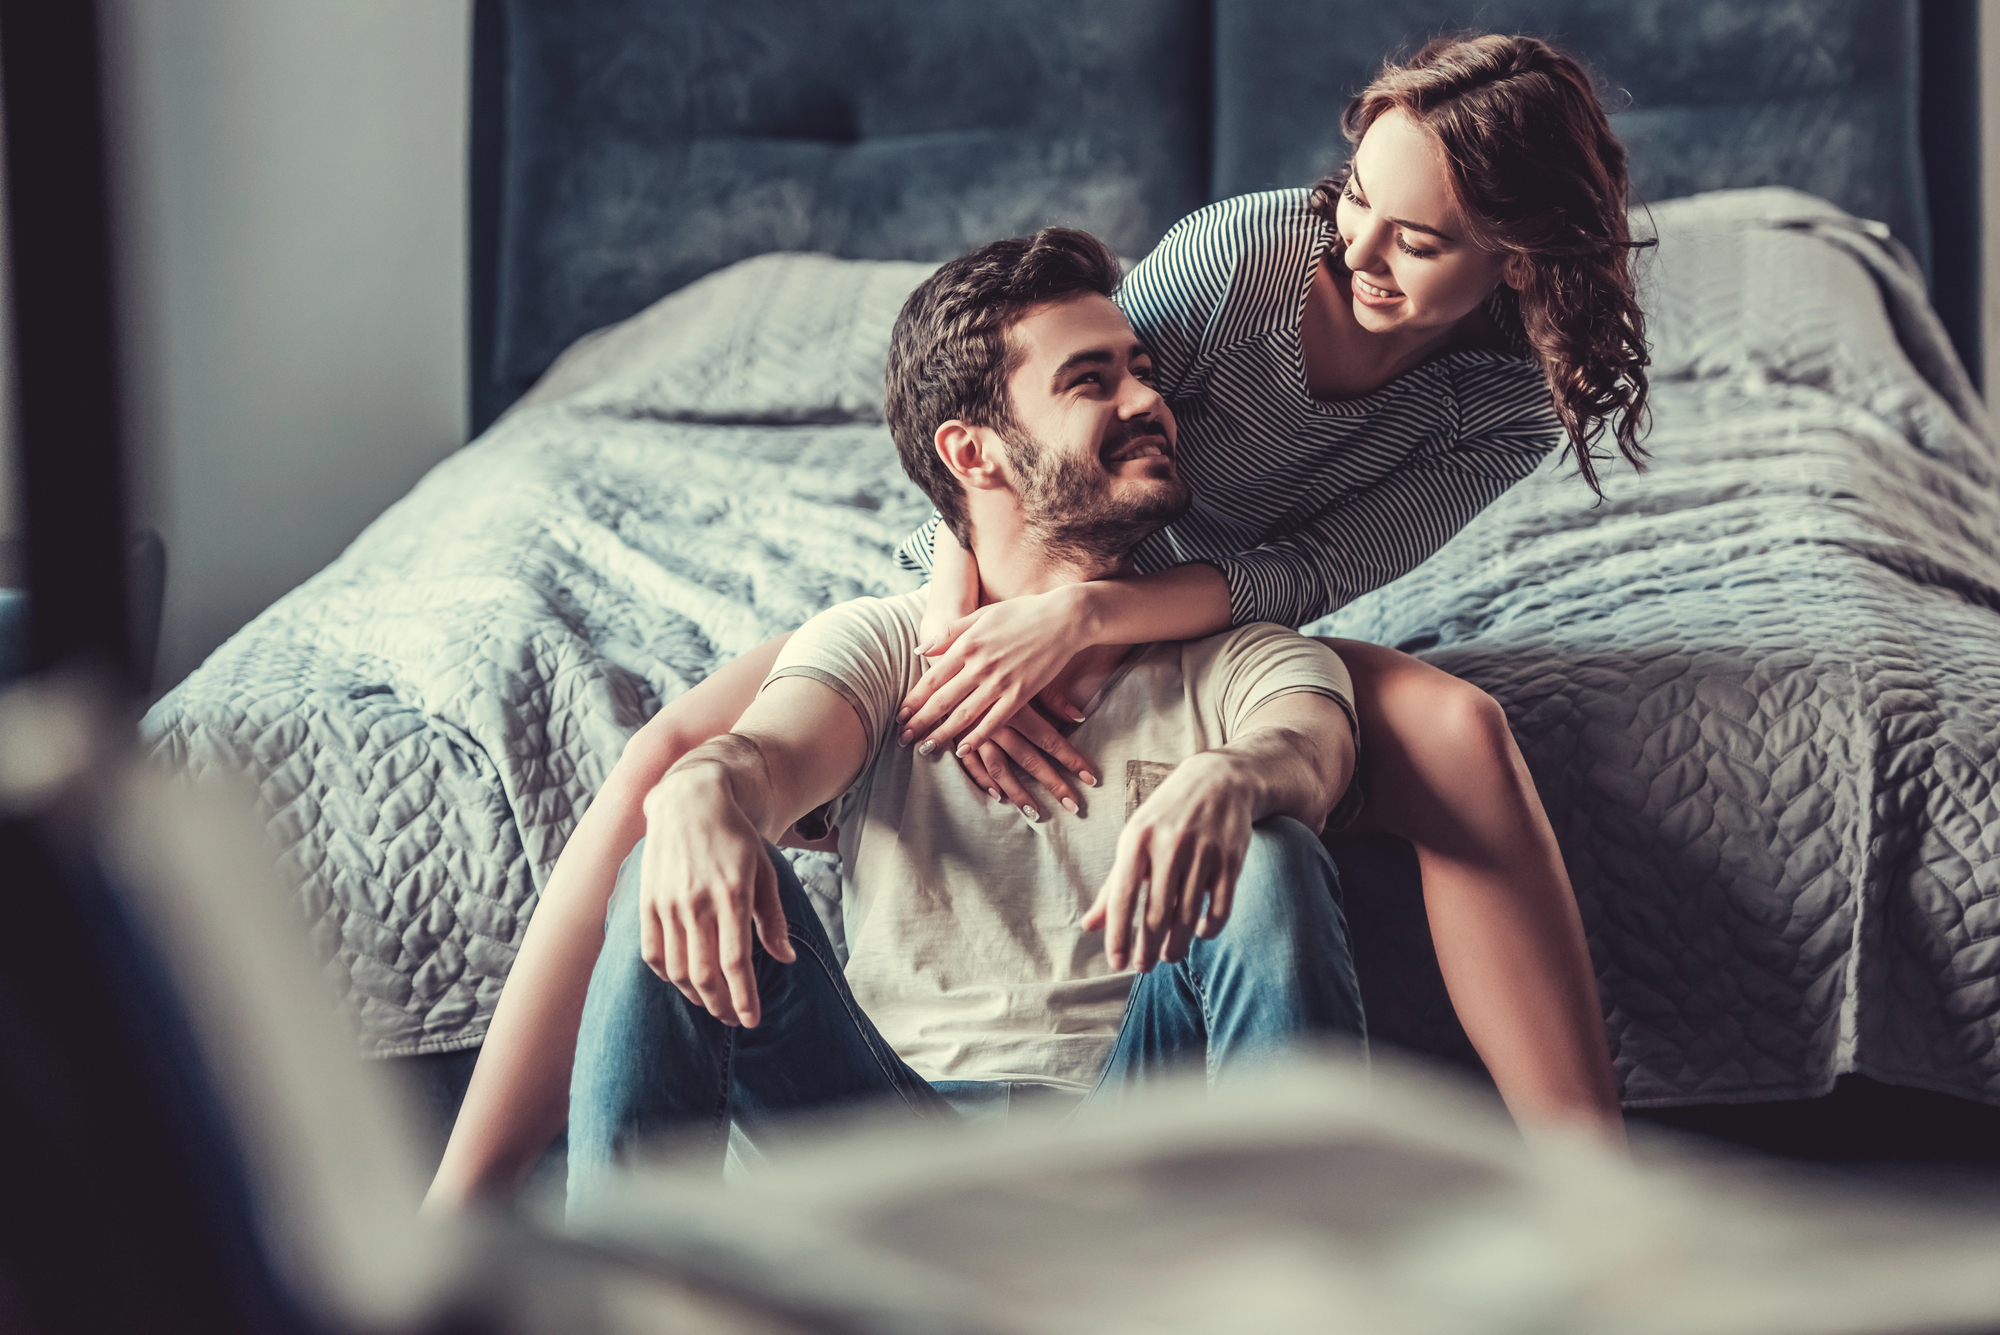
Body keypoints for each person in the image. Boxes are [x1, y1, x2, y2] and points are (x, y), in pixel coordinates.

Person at [494, 32, 1637, 1144]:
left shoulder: (1510, 403)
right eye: (1354, 202)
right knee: (669, 767)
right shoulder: (1243, 259)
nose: (1357, 252)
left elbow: (1315, 571)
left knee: (1458, 735)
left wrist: (1097, 622)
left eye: (1418, 242)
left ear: (1517, 255)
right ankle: (462, 1215)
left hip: (1210, 610)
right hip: (1027, 557)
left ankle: (1590, 1186)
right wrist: (957, 630)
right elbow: (1030, 434)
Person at [430, 229, 1367, 1210]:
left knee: (1272, 853)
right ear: (973, 453)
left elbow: (1309, 746)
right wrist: (709, 787)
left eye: (1143, 373)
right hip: (883, 1158)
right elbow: (779, 750)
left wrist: (1238, 776)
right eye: (1091, 381)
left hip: (1130, 1155)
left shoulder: (1237, 656)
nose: (1147, 404)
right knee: (671, 851)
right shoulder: (883, 645)